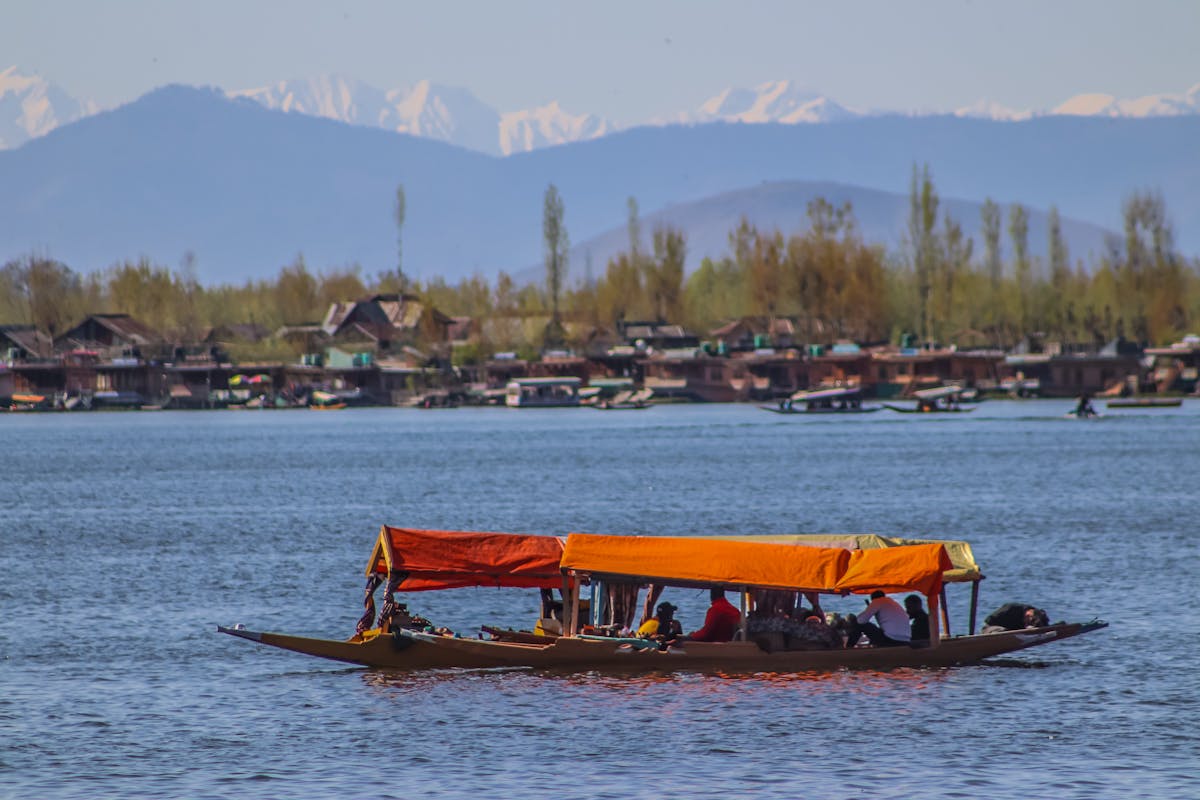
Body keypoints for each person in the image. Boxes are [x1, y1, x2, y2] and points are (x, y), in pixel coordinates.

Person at [846, 590, 911, 648]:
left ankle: (848, 648)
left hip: (891, 640)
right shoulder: (893, 603)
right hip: (906, 640)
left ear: (872, 599)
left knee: (861, 625)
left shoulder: (877, 601)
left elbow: (861, 621)